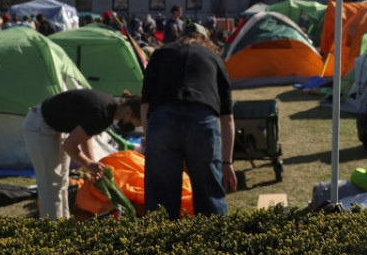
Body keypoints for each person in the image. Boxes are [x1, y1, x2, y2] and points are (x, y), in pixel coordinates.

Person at [142, 25, 235, 219]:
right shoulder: (214, 58)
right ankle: (214, 245)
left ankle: (161, 245)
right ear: (205, 40)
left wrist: (150, 141)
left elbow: (145, 106)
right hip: (202, 120)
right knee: (209, 196)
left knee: (161, 200)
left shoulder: (160, 54)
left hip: (162, 120)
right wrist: (227, 163)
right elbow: (227, 119)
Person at [22, 89, 141, 220]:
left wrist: (93, 164)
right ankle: (52, 229)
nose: (131, 128)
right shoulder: (102, 112)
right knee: (51, 185)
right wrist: (88, 164)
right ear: (128, 112)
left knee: (61, 182)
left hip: (57, 129)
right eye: (133, 124)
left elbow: (86, 136)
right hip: (40, 126)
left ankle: (63, 224)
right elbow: (69, 145)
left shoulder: (108, 109)